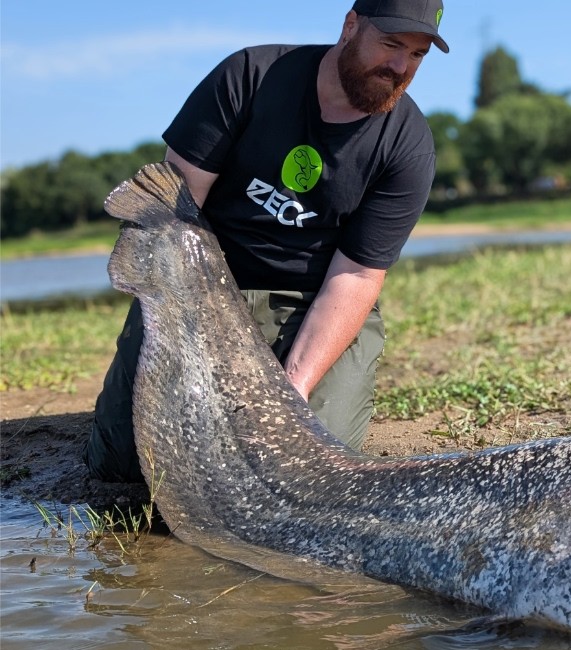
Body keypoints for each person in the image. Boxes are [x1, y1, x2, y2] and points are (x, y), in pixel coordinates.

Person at [84, 0, 449, 484]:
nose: (401, 67)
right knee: (127, 470)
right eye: (391, 45)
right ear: (351, 25)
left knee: (301, 468)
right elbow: (174, 210)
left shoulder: (409, 145)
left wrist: (285, 400)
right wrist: (198, 336)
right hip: (206, 287)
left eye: (417, 54)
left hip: (312, 303)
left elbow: (357, 276)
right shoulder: (249, 75)